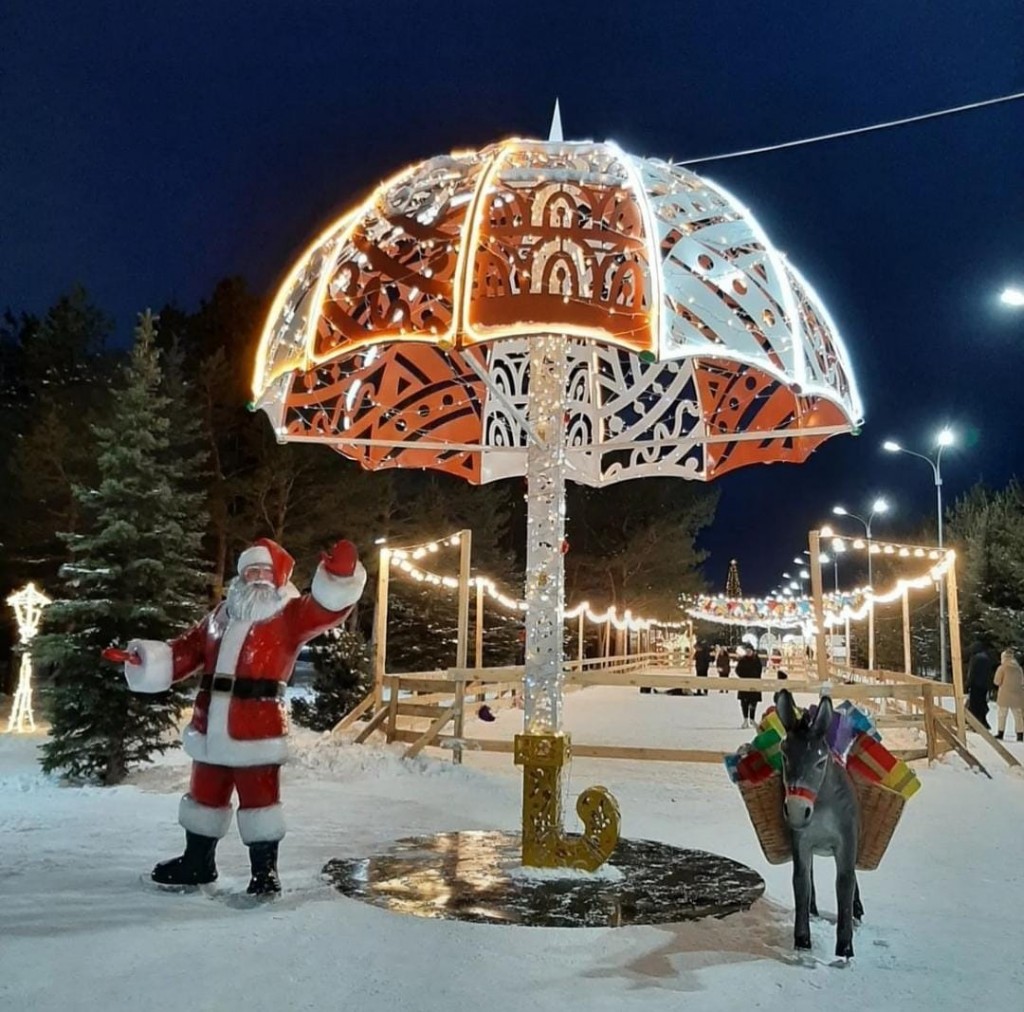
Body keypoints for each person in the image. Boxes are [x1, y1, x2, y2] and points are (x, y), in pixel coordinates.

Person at [113, 537, 366, 895]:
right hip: (210, 722)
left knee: (260, 801)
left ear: (278, 576)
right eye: (251, 571)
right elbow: (184, 651)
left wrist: (339, 577)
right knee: (203, 795)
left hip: (257, 727)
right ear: (240, 576)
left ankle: (264, 872)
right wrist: (144, 660)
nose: (257, 578)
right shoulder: (219, 617)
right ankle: (197, 861)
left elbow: (326, 610)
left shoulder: (291, 614)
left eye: (264, 571)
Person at [993, 648, 1024, 741]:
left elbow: (997, 681)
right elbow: (1022, 681)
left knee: (1002, 714)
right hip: (1017, 695)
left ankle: (1000, 732)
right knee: (1018, 716)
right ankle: (1020, 734)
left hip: (1004, 695)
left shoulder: (1002, 668)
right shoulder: (1019, 668)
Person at [965, 641, 995, 729]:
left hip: (975, 685)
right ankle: (983, 722)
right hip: (984, 686)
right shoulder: (987, 658)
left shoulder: (975, 659)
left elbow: (972, 673)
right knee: (981, 704)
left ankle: (975, 724)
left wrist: (968, 684)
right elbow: (989, 674)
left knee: (974, 705)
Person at [735, 643, 763, 729]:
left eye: (749, 651)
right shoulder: (742, 660)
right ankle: (745, 719)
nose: (748, 652)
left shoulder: (757, 660)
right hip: (744, 683)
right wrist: (743, 676)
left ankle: (752, 718)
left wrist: (754, 676)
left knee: (753, 702)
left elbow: (759, 670)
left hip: (754, 683)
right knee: (744, 702)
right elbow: (737, 670)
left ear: (752, 651)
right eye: (746, 651)